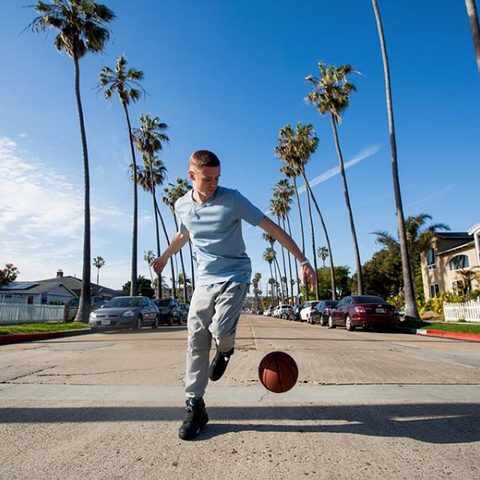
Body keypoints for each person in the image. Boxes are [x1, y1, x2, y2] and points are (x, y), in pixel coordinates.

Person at [152, 150, 316, 440]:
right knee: (195, 337)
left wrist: (302, 260)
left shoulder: (233, 199)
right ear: (192, 176)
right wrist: (164, 257)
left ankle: (226, 349)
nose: (214, 183)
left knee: (220, 330)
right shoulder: (181, 205)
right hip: (205, 280)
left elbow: (272, 227)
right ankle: (195, 405)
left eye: (217, 178)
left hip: (236, 275)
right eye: (207, 178)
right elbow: (183, 234)